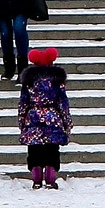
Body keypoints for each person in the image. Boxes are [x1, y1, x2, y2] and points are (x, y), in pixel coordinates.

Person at [19, 47, 70, 188]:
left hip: (33, 116)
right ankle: (50, 175)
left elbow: (23, 102)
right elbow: (63, 103)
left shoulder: (28, 81)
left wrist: (22, 121)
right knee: (52, 148)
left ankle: (36, 176)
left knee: (34, 148)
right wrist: (66, 121)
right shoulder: (57, 81)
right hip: (52, 117)